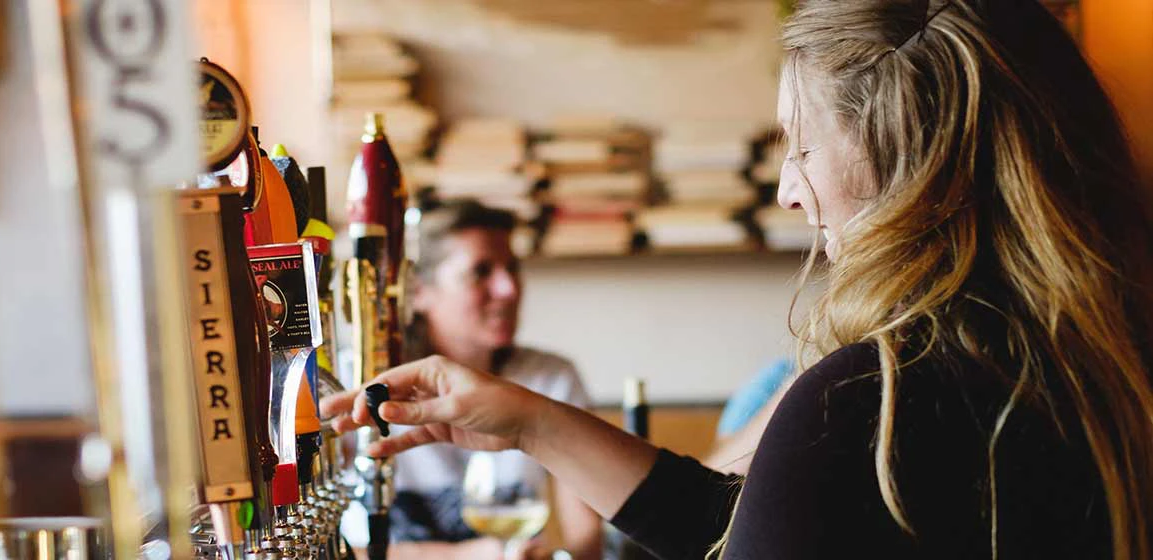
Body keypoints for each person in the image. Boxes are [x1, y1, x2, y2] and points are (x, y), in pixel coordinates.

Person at [324, 1, 1153, 558]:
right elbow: (745, 528)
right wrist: (534, 426)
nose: (790, 188)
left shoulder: (873, 397)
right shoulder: (1086, 358)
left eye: (801, 144)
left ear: (910, 159)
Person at [346, 199, 603, 559]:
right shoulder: (360, 384)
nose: (509, 289)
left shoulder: (551, 379)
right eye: (481, 272)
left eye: (512, 269)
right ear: (417, 291)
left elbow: (587, 539)